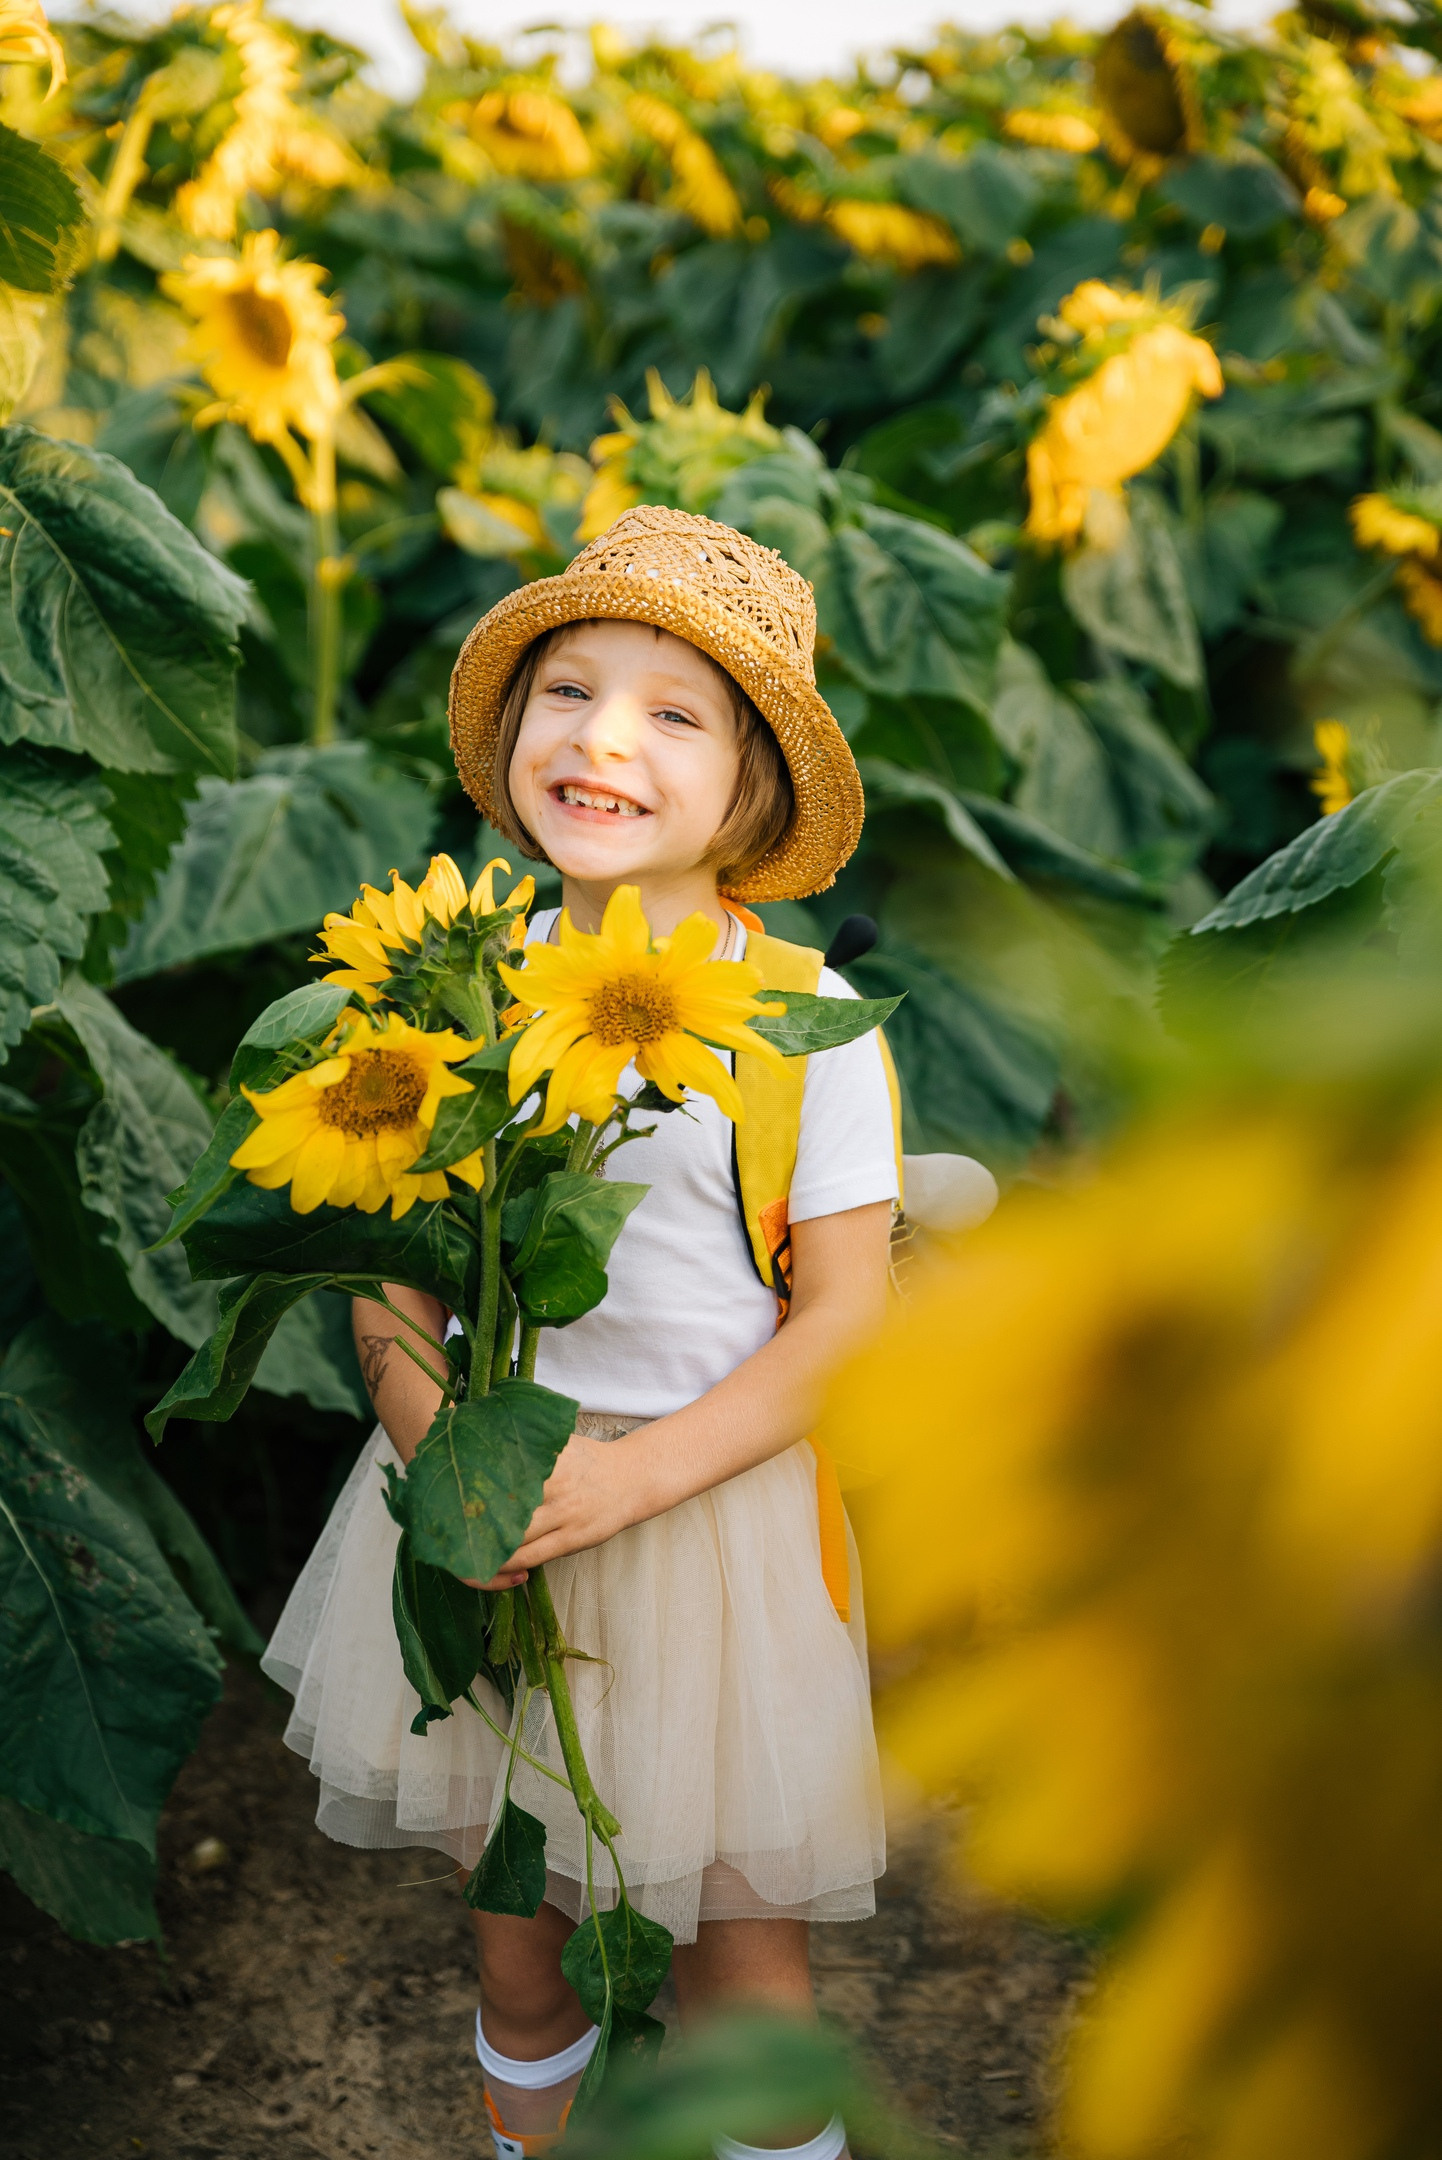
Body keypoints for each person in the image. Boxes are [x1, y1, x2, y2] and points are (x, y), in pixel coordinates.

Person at [263, 506, 899, 2160]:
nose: (602, 738)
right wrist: (443, 1467)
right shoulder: (452, 997)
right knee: (522, 1944)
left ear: (753, 790)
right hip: (495, 1512)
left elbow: (843, 1317)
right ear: (511, 738)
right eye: (567, 691)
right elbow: (391, 1279)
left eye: (673, 713)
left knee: (744, 1977)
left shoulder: (808, 1028)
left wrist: (631, 1481)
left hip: (711, 1528)